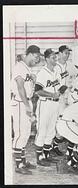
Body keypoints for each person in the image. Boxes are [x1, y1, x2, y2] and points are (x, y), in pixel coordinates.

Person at [11, 45, 41, 175]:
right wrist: (27, 106)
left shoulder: (27, 68)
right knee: (19, 134)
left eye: (38, 57)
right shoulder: (19, 66)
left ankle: (23, 161)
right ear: (29, 54)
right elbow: (20, 87)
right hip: (19, 102)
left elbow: (28, 87)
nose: (37, 59)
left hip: (26, 101)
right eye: (35, 56)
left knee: (26, 133)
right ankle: (18, 165)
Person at [34, 48, 62, 166]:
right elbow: (38, 91)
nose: (55, 59)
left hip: (55, 104)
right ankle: (39, 158)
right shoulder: (42, 72)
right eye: (52, 57)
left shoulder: (56, 72)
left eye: (55, 57)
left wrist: (61, 91)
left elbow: (58, 87)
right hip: (45, 104)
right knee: (42, 130)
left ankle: (46, 155)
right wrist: (52, 94)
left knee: (51, 131)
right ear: (46, 59)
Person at [51, 45, 72, 156]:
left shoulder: (69, 66)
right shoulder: (54, 66)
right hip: (56, 98)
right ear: (59, 54)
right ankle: (51, 145)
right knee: (56, 121)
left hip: (66, 98)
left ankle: (54, 144)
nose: (67, 55)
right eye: (65, 53)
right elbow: (52, 83)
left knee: (64, 120)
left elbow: (71, 81)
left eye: (68, 53)